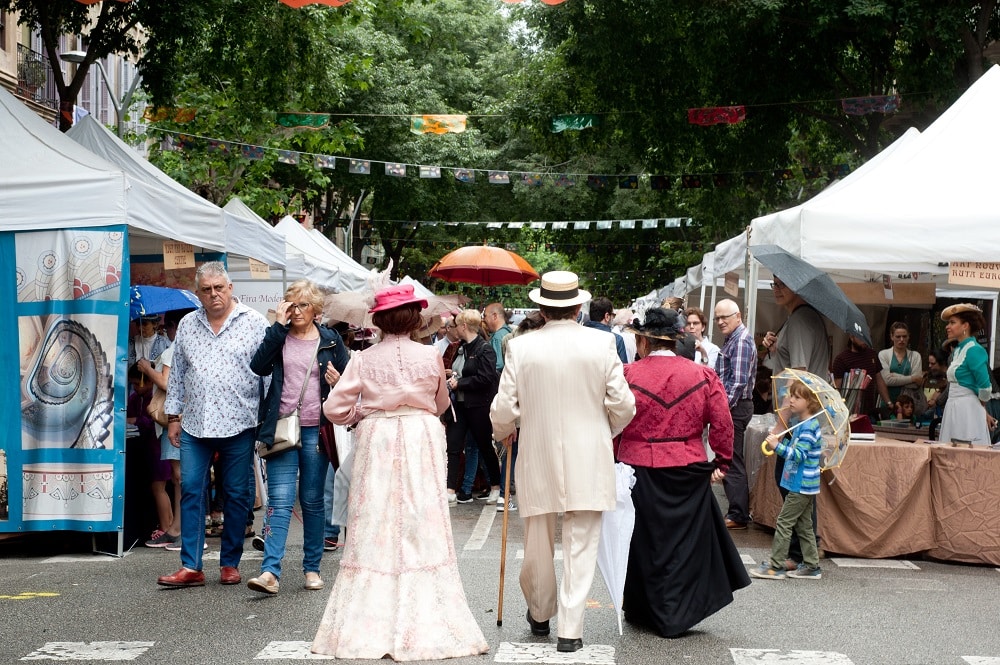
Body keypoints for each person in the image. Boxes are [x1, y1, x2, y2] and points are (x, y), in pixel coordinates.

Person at [311, 284, 488, 660]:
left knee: (375, 520)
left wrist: (362, 413)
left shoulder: (363, 358)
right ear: (413, 319)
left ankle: (371, 617)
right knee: (422, 520)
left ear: (379, 319)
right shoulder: (430, 356)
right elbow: (441, 403)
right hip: (421, 436)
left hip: (378, 436)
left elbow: (334, 408)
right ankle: (425, 611)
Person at [490, 271, 636, 653]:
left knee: (537, 538)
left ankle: (540, 612)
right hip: (589, 453)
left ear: (541, 307)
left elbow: (504, 408)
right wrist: (605, 430)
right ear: (577, 306)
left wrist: (503, 429)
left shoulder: (520, 348)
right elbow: (625, 406)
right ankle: (570, 629)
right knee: (581, 543)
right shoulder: (602, 344)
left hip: (537, 452)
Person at [617, 307, 748, 638]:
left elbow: (614, 422)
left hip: (638, 466)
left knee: (644, 539)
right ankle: (676, 611)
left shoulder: (628, 374)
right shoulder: (702, 375)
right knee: (682, 542)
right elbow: (722, 423)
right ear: (675, 341)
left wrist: (614, 459)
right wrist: (721, 462)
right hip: (687, 466)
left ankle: (643, 609)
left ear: (645, 341)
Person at [157, 262, 268, 588]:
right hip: (196, 424)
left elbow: (271, 374)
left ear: (230, 288)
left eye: (219, 287)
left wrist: (267, 419)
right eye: (206, 289)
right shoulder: (189, 325)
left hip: (240, 423)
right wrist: (174, 417)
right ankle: (191, 565)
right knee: (191, 489)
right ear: (198, 292)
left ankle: (230, 562)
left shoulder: (254, 323)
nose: (214, 294)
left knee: (236, 494)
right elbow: (177, 374)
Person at [245, 280, 350, 595]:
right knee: (279, 499)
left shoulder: (330, 340)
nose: (297, 310)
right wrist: (277, 327)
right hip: (280, 428)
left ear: (316, 309)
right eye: (291, 304)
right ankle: (270, 572)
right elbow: (257, 365)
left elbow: (348, 382)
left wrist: (339, 380)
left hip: (316, 430)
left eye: (303, 304)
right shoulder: (279, 336)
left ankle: (312, 568)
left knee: (312, 500)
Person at [760, 274, 829, 570]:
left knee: (792, 486)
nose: (776, 289)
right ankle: (803, 555)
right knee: (795, 488)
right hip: (801, 415)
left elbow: (798, 376)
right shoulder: (799, 319)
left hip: (799, 418)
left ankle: (797, 555)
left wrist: (780, 425)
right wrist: (776, 350)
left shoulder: (801, 320)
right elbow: (792, 365)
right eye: (774, 283)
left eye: (782, 283)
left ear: (799, 286)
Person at [752, 379, 824, 580]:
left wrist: (777, 446)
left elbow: (799, 455)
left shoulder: (809, 427)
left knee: (784, 522)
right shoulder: (802, 424)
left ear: (809, 402)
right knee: (804, 525)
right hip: (802, 484)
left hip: (801, 485)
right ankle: (811, 565)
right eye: (791, 395)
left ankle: (776, 565)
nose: (790, 400)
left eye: (796, 397)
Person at [137, 308, 190, 548]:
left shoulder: (173, 350)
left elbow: (169, 384)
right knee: (179, 478)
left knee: (180, 477)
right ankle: (177, 528)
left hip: (175, 420)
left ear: (174, 327)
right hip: (185, 419)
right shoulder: (188, 349)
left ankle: (183, 530)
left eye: (166, 326)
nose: (163, 331)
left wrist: (148, 369)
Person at [444, 309, 501, 506]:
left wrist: (462, 383)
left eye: (456, 325)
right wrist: (454, 376)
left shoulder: (484, 349)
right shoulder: (461, 347)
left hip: (478, 406)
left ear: (464, 326)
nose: (454, 329)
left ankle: (496, 486)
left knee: (485, 446)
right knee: (453, 445)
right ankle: (450, 489)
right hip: (459, 406)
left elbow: (486, 378)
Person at [713, 299, 757, 531]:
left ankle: (738, 514)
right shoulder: (735, 338)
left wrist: (721, 409)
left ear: (738, 316)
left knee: (732, 460)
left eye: (724, 317)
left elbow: (737, 383)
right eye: (717, 318)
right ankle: (737, 511)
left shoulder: (740, 340)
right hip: (736, 406)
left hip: (736, 407)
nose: (720, 322)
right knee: (730, 458)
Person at [938, 304, 994, 445]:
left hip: (967, 409)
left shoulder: (974, 350)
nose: (947, 326)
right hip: (953, 406)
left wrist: (980, 409)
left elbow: (985, 388)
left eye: (952, 322)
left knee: (966, 452)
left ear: (965, 326)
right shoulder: (958, 350)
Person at [831, 335, 890, 419]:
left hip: (870, 411)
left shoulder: (872, 355)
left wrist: (888, 402)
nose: (864, 340)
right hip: (850, 411)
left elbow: (879, 381)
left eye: (865, 337)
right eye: (860, 337)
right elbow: (837, 388)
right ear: (851, 337)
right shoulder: (841, 359)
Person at [878, 322, 926, 414]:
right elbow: (887, 381)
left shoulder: (915, 356)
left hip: (908, 406)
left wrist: (895, 376)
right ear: (892, 337)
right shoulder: (884, 354)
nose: (901, 340)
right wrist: (912, 378)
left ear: (908, 337)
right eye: (898, 337)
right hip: (888, 402)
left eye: (904, 336)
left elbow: (917, 383)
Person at [583, 296, 629, 364]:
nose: (613, 318)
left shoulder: (579, 336)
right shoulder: (616, 339)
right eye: (613, 315)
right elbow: (623, 369)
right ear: (607, 316)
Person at [485, 302, 514, 371]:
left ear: (495, 316)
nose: (483, 319)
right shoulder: (508, 331)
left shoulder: (497, 337)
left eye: (485, 316)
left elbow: (498, 365)